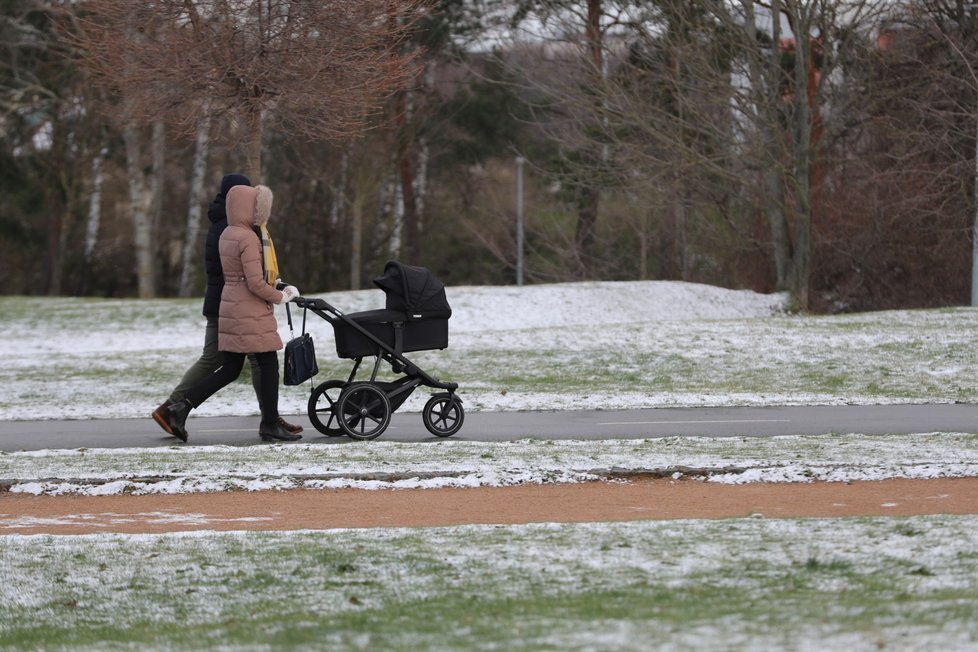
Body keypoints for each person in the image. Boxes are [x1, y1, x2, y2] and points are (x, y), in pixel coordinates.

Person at [151, 174, 302, 437]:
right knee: (264, 364)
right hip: (247, 308)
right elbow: (254, 281)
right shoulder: (247, 237)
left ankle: (181, 408)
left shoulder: (226, 232)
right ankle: (269, 423)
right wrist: (281, 295)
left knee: (231, 368)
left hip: (231, 305)